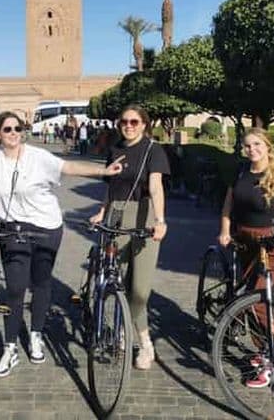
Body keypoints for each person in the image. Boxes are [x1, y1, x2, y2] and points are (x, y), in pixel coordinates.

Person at [0, 111, 124, 378]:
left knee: (41, 282)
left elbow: (68, 168)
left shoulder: (38, 157)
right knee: (15, 288)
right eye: (7, 129)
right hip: (13, 228)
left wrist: (103, 171)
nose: (13, 133)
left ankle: (36, 334)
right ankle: (10, 346)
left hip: (47, 227)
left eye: (17, 128)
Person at [89, 104, 169, 370]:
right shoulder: (115, 149)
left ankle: (144, 342)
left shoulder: (153, 150)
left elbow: (156, 187)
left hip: (143, 215)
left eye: (134, 122)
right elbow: (111, 187)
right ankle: (131, 335)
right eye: (124, 121)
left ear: (144, 124)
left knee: (140, 289)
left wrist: (160, 220)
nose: (129, 125)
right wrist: (102, 212)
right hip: (115, 215)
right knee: (120, 281)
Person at [217, 127, 274, 388]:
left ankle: (271, 361)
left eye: (257, 145)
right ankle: (262, 349)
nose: (252, 150)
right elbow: (228, 203)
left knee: (258, 299)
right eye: (248, 145)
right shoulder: (240, 171)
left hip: (271, 244)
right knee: (248, 296)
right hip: (244, 241)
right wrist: (225, 230)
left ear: (267, 146)